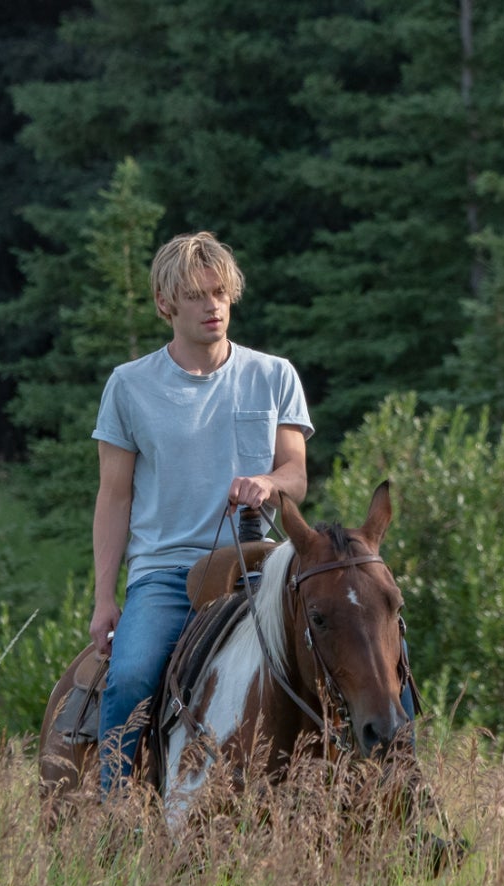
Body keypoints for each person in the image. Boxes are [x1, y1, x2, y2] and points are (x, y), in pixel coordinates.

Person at [89, 232, 312, 796]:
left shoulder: (274, 374)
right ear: (166, 303)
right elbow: (114, 498)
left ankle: (404, 792)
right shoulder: (129, 386)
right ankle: (113, 812)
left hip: (259, 562)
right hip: (166, 573)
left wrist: (267, 481)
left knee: (361, 641)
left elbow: (297, 476)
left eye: (221, 292)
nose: (213, 306)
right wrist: (104, 598)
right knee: (132, 675)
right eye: (196, 294)